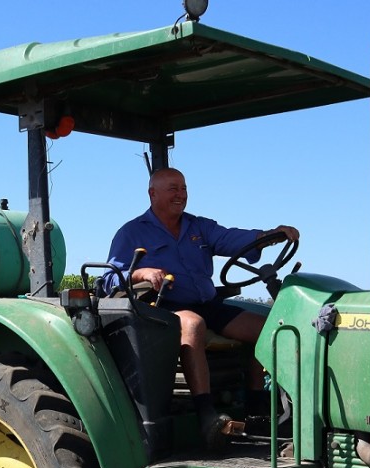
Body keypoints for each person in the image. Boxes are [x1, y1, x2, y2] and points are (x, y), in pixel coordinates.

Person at [101, 167, 299, 451]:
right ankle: (206, 414)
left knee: (268, 329)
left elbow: (233, 238)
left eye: (183, 188)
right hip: (165, 308)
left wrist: (271, 235)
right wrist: (141, 274)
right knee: (193, 325)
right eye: (172, 188)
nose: (180, 194)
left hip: (209, 303)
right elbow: (108, 278)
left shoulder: (199, 227)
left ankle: (257, 410)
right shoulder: (132, 232)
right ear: (152, 193)